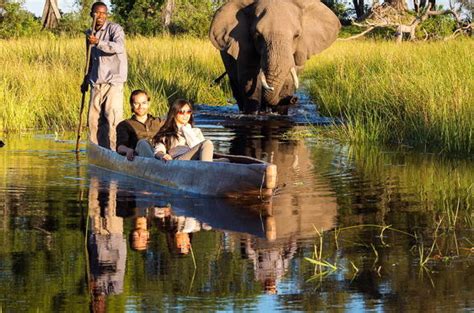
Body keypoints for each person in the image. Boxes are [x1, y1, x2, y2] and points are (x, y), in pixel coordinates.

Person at [81, 1, 127, 151]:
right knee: (94, 121)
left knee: (112, 119)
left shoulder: (115, 29)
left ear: (106, 15)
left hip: (113, 81)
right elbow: (90, 58)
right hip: (96, 82)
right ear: (91, 14)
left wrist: (99, 42)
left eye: (103, 13)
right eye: (96, 13)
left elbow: (118, 47)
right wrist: (86, 78)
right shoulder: (89, 33)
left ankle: (115, 152)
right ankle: (96, 151)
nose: (99, 16)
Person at [116, 90, 162, 161]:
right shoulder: (125, 124)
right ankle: (155, 167)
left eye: (144, 103)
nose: (140, 107)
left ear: (148, 104)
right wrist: (128, 150)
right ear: (131, 105)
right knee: (142, 143)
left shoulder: (158, 121)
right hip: (140, 159)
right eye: (136, 103)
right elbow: (120, 147)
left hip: (160, 155)